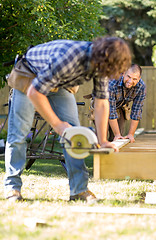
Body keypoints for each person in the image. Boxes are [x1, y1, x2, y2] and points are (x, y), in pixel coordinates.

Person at [4, 37, 131, 203]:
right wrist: (58, 125)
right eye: (113, 70)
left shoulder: (101, 65)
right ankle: (12, 187)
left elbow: (101, 103)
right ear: (103, 59)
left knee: (74, 134)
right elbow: (35, 92)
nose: (113, 75)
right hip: (30, 75)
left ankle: (79, 190)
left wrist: (103, 140)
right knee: (19, 132)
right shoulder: (69, 57)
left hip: (58, 83)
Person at [108, 64, 146, 143]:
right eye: (128, 77)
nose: (130, 81)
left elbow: (137, 111)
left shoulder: (141, 87)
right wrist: (117, 134)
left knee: (118, 137)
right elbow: (111, 111)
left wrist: (131, 134)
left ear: (139, 79)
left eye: (134, 79)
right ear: (124, 73)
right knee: (102, 136)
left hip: (120, 106)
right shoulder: (112, 83)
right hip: (103, 106)